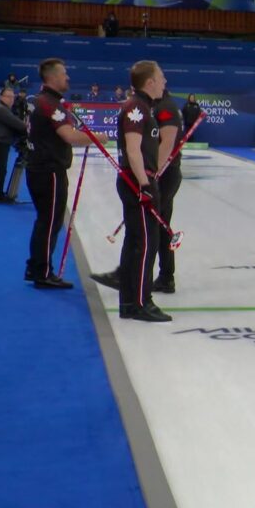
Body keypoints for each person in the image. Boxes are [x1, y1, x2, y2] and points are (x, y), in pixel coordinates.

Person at [25, 58, 111, 289]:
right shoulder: (50, 104)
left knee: (45, 220)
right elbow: (69, 136)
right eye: (64, 74)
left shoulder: (39, 100)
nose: (68, 77)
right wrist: (97, 137)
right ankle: (42, 272)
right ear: (53, 77)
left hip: (38, 167)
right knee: (50, 222)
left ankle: (36, 267)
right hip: (49, 171)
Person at [114, 62, 172, 322]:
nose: (164, 82)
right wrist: (144, 185)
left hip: (138, 180)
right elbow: (133, 149)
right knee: (146, 243)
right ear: (150, 82)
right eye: (161, 77)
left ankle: (130, 301)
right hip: (138, 182)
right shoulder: (136, 107)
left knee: (137, 241)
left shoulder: (143, 106)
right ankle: (140, 302)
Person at [0, 87, 27, 204]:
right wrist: (26, 126)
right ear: (1, 97)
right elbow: (19, 125)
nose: (11, 99)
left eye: (12, 97)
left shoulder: (3, 108)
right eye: (8, 97)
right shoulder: (1, 110)